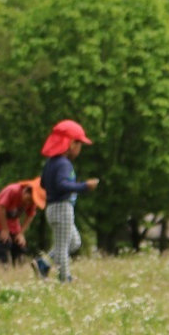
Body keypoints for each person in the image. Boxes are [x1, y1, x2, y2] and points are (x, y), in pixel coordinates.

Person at [38, 118, 99, 282]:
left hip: (51, 208)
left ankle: (43, 262)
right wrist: (84, 186)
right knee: (64, 247)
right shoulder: (64, 163)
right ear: (71, 144)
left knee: (74, 242)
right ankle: (65, 279)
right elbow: (62, 184)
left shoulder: (50, 163)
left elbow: (43, 183)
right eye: (80, 145)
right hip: (62, 208)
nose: (80, 149)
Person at [0, 179, 45, 266]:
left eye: (31, 202)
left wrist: (21, 233)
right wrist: (5, 229)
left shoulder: (33, 201)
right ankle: (2, 265)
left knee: (19, 244)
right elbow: (1, 208)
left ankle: (18, 265)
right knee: (4, 241)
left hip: (12, 219)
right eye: (28, 199)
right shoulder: (13, 191)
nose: (28, 203)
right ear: (25, 191)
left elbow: (30, 216)